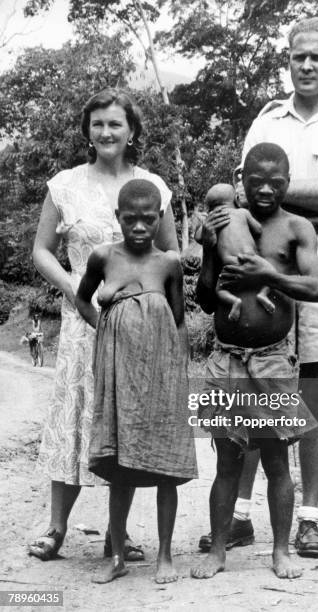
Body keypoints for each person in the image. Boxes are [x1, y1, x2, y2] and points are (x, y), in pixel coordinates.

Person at [199, 17, 318, 558]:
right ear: (288, 58)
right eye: (298, 56)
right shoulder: (267, 118)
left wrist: (282, 191)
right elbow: (247, 192)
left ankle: (309, 519)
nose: (306, 66)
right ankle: (244, 517)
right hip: (259, 255)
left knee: (315, 395)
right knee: (254, 393)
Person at [28, 88, 179, 561]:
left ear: (131, 130)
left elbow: (171, 254)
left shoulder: (152, 185)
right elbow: (40, 251)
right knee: (73, 418)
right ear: (87, 131)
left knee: (126, 423)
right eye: (97, 124)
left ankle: (120, 533)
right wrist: (76, 291)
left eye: (115, 124)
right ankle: (56, 528)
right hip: (83, 323)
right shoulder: (65, 184)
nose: (106, 132)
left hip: (138, 331)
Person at [191, 142, 318, 580]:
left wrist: (268, 275)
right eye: (256, 180)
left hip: (272, 362)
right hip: (228, 360)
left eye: (276, 181)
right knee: (227, 461)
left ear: (288, 182)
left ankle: (281, 551)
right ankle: (218, 553)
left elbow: (315, 287)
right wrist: (210, 247)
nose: (266, 188)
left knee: (276, 462)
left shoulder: (296, 228)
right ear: (240, 180)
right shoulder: (224, 221)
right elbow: (206, 297)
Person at [75, 179, 197, 584]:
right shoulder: (103, 258)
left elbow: (178, 320)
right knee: (118, 465)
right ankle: (116, 558)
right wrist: (104, 326)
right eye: (131, 219)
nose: (140, 227)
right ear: (118, 218)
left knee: (165, 463)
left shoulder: (168, 264)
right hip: (118, 373)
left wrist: (180, 370)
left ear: (159, 218)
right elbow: (82, 299)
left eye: (149, 219)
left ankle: (165, 555)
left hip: (161, 375)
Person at [205, 183, 275, 320]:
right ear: (237, 199)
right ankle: (263, 294)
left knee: (220, 290)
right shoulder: (243, 213)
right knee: (272, 274)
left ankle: (235, 302)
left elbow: (199, 237)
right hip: (251, 258)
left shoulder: (212, 221)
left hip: (230, 263)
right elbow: (258, 230)